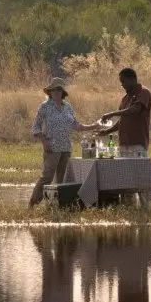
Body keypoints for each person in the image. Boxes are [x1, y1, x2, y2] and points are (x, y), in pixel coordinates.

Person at [28, 77, 97, 207]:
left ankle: (59, 206)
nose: (56, 92)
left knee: (62, 178)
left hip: (66, 147)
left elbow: (76, 125)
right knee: (47, 177)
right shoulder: (45, 107)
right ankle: (33, 204)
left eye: (59, 90)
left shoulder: (67, 107)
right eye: (53, 90)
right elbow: (35, 126)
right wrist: (43, 141)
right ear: (49, 92)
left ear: (62, 92)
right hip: (52, 147)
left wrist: (93, 126)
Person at [98, 68, 151, 158]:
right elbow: (122, 121)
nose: (122, 85)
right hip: (123, 144)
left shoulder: (143, 92)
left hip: (137, 143)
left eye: (123, 81)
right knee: (124, 171)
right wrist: (107, 131)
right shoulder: (125, 98)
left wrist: (112, 114)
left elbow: (135, 110)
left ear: (132, 79)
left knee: (137, 171)